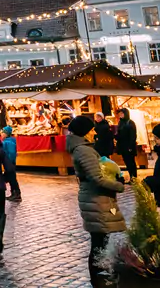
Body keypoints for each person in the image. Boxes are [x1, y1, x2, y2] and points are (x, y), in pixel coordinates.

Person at [67, 114, 126, 287]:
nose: (94, 132)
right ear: (84, 132)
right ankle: (98, 279)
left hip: (97, 199)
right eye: (91, 129)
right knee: (99, 241)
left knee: (101, 239)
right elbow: (97, 178)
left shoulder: (83, 148)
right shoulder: (83, 150)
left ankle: (101, 275)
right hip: (96, 199)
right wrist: (118, 185)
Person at [116, 108, 138, 181]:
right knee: (127, 162)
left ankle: (134, 177)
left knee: (131, 161)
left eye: (122, 113)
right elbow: (120, 134)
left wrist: (131, 146)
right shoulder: (120, 123)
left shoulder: (130, 123)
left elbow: (133, 136)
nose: (120, 115)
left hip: (129, 146)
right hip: (122, 146)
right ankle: (131, 176)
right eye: (120, 114)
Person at [1, 126, 21, 201]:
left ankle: (16, 194)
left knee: (12, 178)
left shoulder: (8, 142)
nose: (1, 134)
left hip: (9, 163)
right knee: (11, 178)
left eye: (3, 133)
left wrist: (8, 161)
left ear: (6, 134)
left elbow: (11, 153)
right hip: (8, 163)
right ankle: (14, 193)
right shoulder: (8, 141)